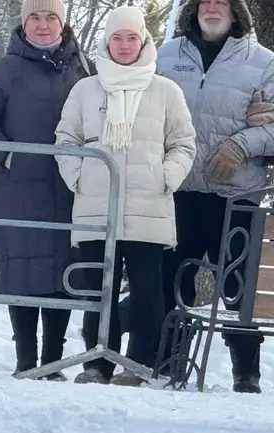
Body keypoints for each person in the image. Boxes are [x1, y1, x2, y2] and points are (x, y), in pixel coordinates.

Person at [56, 7, 196, 387]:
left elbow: (183, 143)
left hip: (148, 207)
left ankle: (138, 365)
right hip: (95, 205)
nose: (124, 45)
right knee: (96, 290)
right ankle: (97, 363)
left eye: (132, 37)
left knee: (147, 291)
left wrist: (166, 177)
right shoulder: (86, 89)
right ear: (106, 41)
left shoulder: (166, 90)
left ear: (144, 41)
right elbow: (66, 139)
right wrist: (78, 176)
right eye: (116, 38)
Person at [0, 0, 92, 380]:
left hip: (70, 189)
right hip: (19, 189)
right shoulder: (5, 69)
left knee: (62, 274)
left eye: (50, 17)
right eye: (34, 17)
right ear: (24, 23)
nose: (42, 24)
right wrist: (7, 157)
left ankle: (52, 362)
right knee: (20, 270)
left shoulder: (84, 68)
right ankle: (25, 360)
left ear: (62, 23)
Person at [156, 0, 274, 393]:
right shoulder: (166, 55)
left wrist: (243, 143)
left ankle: (246, 369)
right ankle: (170, 361)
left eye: (221, 1)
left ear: (236, 10)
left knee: (239, 286)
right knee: (172, 279)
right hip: (178, 190)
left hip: (237, 196)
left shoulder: (264, 62)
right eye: (204, 1)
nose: (212, 7)